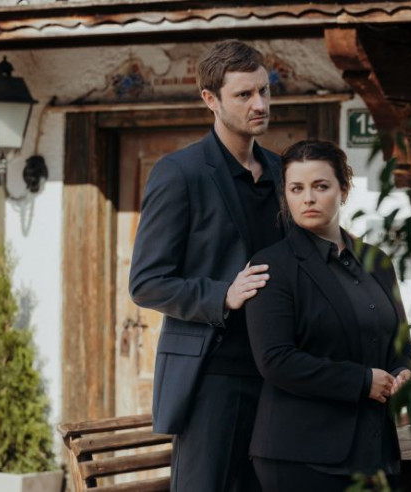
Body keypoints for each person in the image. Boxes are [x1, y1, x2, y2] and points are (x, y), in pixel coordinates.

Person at [129, 39, 285, 492]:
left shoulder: (282, 172)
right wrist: (223, 295)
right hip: (211, 376)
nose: (260, 104)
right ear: (210, 99)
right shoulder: (179, 173)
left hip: (278, 374)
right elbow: (147, 282)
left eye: (264, 90)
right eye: (244, 94)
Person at [245, 140, 411, 491]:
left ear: (344, 190)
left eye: (320, 186)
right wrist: (362, 381)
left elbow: (402, 343)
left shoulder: (377, 261)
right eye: (296, 188)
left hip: (375, 451)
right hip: (301, 456)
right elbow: (275, 360)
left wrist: (402, 370)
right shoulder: (272, 265)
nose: (308, 198)